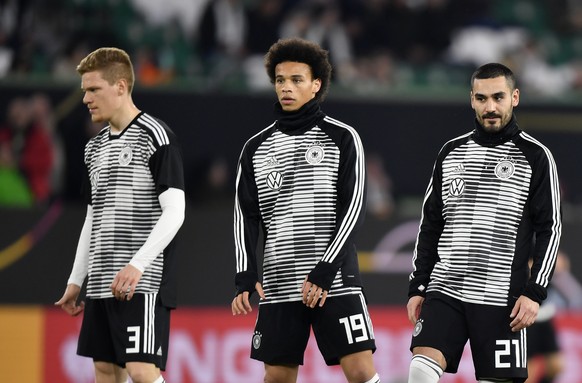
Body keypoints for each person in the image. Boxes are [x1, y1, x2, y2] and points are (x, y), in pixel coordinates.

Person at [231, 37, 380, 383]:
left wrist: (326, 269)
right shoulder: (255, 148)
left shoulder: (342, 137)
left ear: (316, 85)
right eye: (280, 80)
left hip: (334, 279)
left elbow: (353, 206)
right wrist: (245, 275)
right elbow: (245, 217)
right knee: (278, 376)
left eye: (297, 80)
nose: (286, 87)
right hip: (279, 280)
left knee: (359, 370)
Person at [406, 62, 562, 383]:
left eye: (498, 97)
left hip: (501, 296)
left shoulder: (536, 156)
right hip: (446, 287)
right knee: (420, 370)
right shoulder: (451, 152)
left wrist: (535, 292)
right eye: (481, 98)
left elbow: (550, 228)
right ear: (471, 100)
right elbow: (430, 224)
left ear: (514, 97)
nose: (490, 107)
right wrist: (419, 284)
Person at [55, 47, 185, 383]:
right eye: (84, 89)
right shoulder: (93, 148)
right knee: (105, 371)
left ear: (121, 87)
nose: (85, 98)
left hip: (142, 282)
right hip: (101, 282)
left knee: (142, 371)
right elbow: (91, 219)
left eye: (93, 89)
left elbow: (175, 211)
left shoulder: (155, 136)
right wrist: (75, 279)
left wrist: (138, 264)